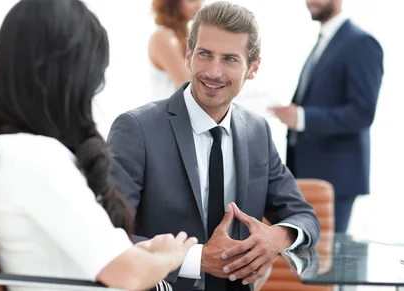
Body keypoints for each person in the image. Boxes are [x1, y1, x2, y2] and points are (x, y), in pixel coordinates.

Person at [0, 0, 196, 290]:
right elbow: (129, 274)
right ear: (66, 77)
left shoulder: (13, 152)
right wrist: (171, 257)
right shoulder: (35, 158)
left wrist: (151, 251)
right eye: (92, 77)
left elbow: (95, 253)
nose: (93, 90)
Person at [107, 2, 321, 291]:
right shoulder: (136, 129)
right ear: (188, 55)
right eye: (205, 55)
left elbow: (304, 217)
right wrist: (197, 259)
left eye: (230, 59)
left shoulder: (257, 131)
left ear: (253, 67)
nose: (214, 72)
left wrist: (275, 238)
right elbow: (107, 236)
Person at [271, 0, 384, 234]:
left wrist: (302, 118)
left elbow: (362, 113)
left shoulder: (361, 43)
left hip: (335, 175)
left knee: (326, 261)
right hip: (307, 171)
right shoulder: (324, 41)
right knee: (309, 258)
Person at [148, 0, 204, 101]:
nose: (199, 5)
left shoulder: (188, 35)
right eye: (192, 0)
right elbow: (189, 85)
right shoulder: (162, 37)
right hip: (166, 114)